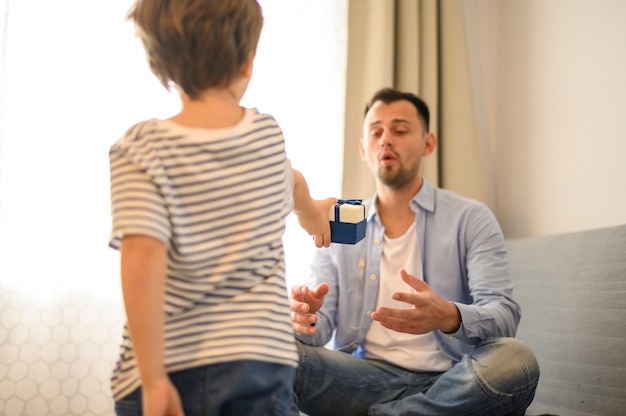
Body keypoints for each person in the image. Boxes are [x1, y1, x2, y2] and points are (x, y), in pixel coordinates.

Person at [108, 1, 335, 415]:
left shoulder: (140, 148)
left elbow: (141, 256)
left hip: (171, 364)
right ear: (248, 61)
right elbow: (295, 183)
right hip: (257, 365)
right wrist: (314, 214)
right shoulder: (267, 137)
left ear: (160, 63)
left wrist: (154, 378)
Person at [289, 87, 540, 416]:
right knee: (271, 348)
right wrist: (303, 319)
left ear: (428, 143)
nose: (386, 139)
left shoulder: (470, 218)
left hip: (451, 380)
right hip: (360, 380)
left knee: (515, 360)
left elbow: (505, 316)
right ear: (364, 149)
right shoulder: (337, 223)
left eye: (401, 130)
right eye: (376, 131)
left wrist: (449, 316)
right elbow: (317, 332)